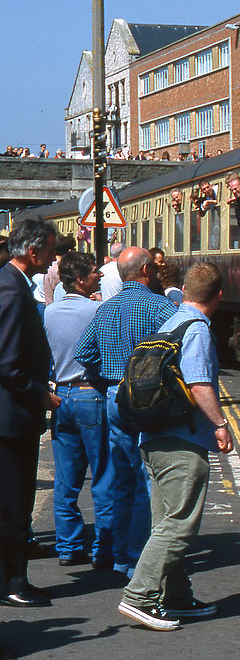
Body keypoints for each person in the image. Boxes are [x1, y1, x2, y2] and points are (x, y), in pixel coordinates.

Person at [118, 262, 233, 631]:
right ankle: (139, 596)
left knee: (164, 524)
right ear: (218, 296)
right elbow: (199, 383)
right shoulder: (197, 330)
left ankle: (176, 597)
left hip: (152, 437)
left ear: (184, 289)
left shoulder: (168, 324)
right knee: (180, 526)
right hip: (183, 440)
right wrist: (220, 423)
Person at [74, 247, 178, 579]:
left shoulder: (105, 310)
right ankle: (139, 558)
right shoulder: (161, 307)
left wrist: (103, 380)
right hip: (151, 398)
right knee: (150, 479)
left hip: (116, 395)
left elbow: (84, 352)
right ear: (147, 270)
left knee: (123, 477)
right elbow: (179, 351)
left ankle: (121, 556)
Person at [0, 219, 59, 607]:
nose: (55, 259)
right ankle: (11, 582)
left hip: (12, 415)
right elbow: (7, 362)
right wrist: (40, 395)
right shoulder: (12, 292)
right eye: (51, 251)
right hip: (10, 418)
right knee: (13, 503)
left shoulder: (12, 284)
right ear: (33, 252)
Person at [43, 251, 110, 568]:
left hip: (61, 397)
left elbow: (43, 357)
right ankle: (104, 547)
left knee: (66, 480)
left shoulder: (50, 313)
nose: (100, 276)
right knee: (103, 474)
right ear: (81, 279)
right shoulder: (99, 310)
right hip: (91, 393)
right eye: (95, 272)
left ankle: (68, 546)